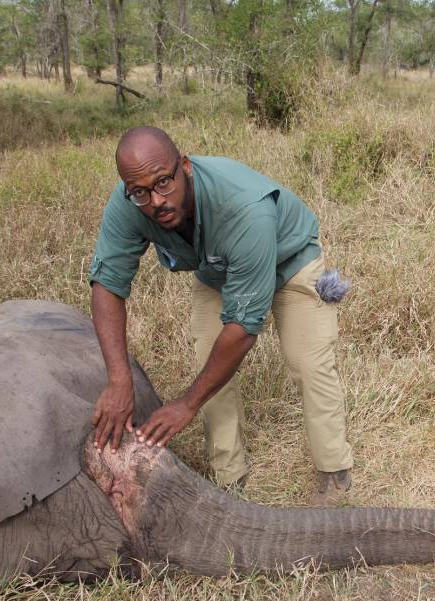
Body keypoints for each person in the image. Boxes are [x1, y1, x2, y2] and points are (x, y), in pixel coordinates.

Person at [88, 126, 353, 505]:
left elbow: (243, 327)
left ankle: (334, 475)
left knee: (308, 362)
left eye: (164, 182)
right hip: (221, 269)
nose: (156, 200)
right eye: (141, 192)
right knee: (208, 362)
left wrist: (186, 404)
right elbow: (107, 284)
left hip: (289, 262)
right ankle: (229, 479)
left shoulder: (243, 207)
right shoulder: (130, 202)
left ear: (185, 166)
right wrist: (118, 380)